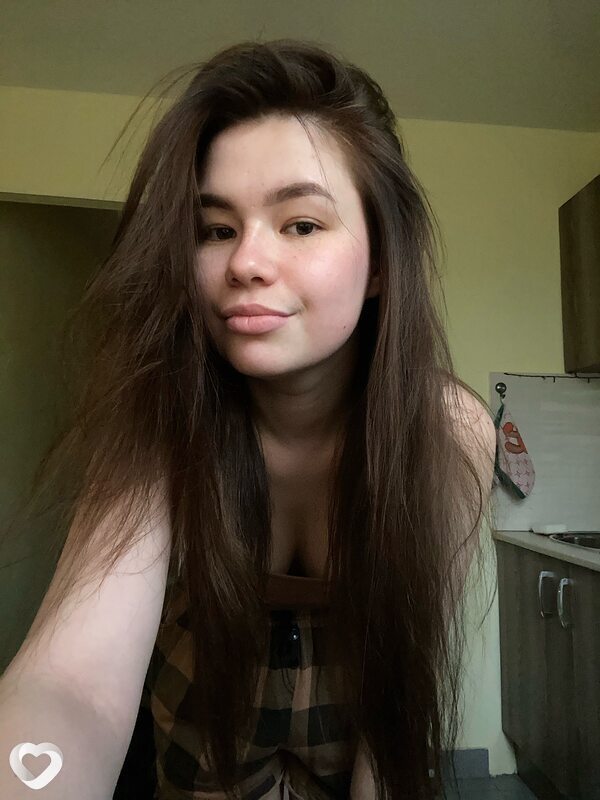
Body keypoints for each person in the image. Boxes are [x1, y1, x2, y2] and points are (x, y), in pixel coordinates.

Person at [0, 38, 497, 800]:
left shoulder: (448, 431)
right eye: (216, 229)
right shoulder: (161, 423)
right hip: (198, 741)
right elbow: (72, 684)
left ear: (380, 264)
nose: (245, 263)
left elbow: (402, 684)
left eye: (301, 224)